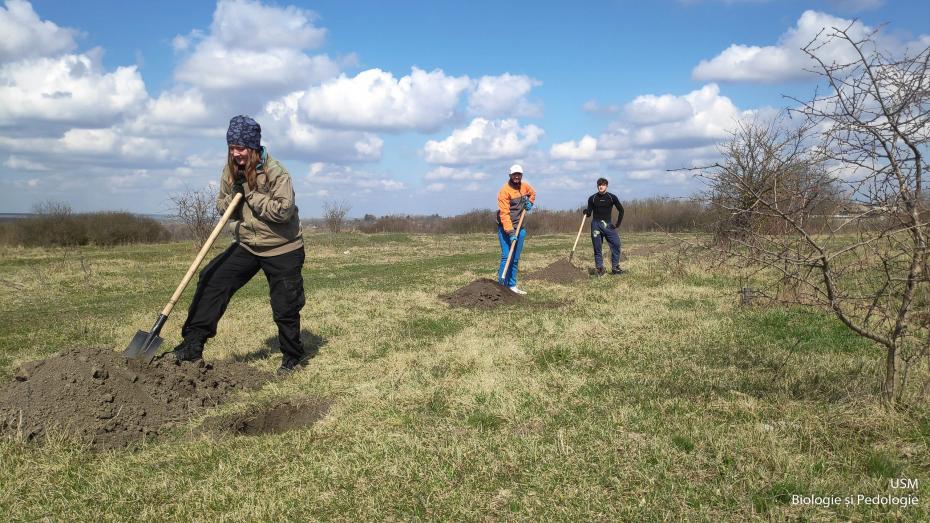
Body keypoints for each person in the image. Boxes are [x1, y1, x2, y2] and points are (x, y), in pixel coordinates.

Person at [171, 115, 308, 375]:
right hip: (248, 244)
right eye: (232, 147)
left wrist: (250, 193)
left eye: (241, 148)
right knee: (211, 277)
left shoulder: (277, 172)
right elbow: (223, 206)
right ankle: (192, 344)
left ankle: (292, 357)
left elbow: (283, 211)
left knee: (285, 304)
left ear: (254, 147)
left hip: (282, 247)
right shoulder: (231, 170)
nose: (236, 153)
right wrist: (233, 197)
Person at [496, 164, 536, 294]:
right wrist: (511, 232)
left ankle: (512, 285)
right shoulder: (504, 191)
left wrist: (530, 202)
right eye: (514, 174)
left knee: (515, 258)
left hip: (520, 227)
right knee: (506, 256)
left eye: (519, 174)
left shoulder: (524, 186)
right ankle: (501, 286)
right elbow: (504, 214)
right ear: (510, 176)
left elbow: (533, 193)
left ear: (521, 175)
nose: (517, 176)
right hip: (506, 228)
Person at [583, 177, 624, 276]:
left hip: (608, 225)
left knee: (616, 244)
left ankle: (615, 267)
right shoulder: (592, 198)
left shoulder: (611, 197)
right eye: (599, 185)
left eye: (603, 185)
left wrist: (618, 224)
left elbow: (621, 210)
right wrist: (586, 212)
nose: (601, 186)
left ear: (606, 186)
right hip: (596, 225)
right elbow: (589, 213)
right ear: (597, 186)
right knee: (597, 248)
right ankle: (600, 269)